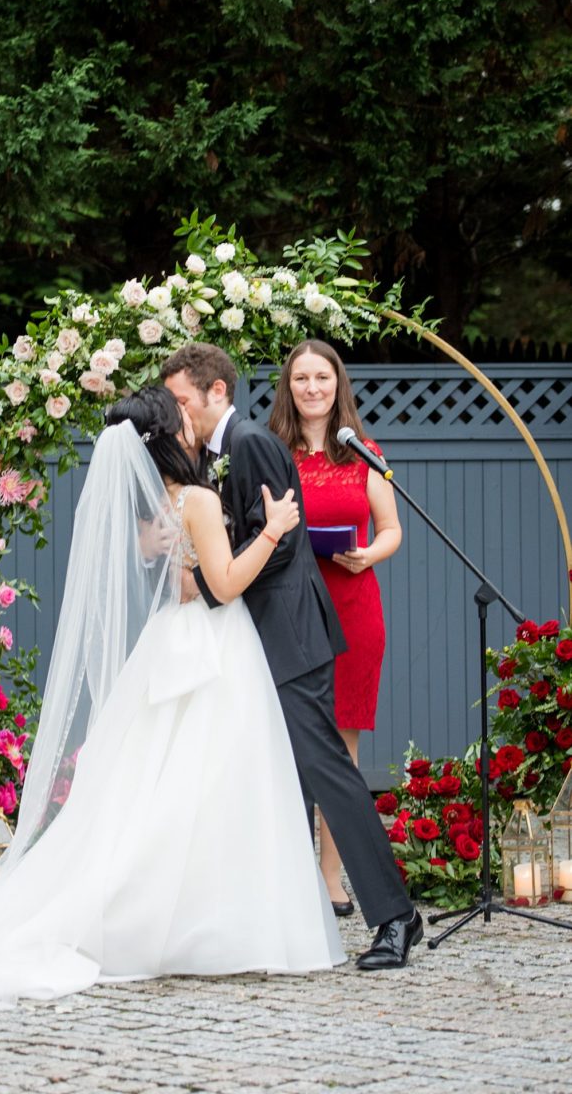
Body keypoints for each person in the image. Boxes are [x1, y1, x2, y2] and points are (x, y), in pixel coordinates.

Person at [0, 386, 345, 1014]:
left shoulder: (162, 504)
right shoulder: (196, 498)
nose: (194, 425)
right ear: (172, 436)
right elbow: (223, 584)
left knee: (165, 786)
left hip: (175, 641)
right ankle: (206, 922)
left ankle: (174, 915)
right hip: (216, 648)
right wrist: (274, 531)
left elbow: (187, 584)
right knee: (213, 782)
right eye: (183, 420)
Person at [161, 343, 421, 969]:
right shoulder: (225, 449)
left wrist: (216, 582)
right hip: (262, 634)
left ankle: (395, 915)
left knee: (329, 771)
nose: (178, 411)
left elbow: (281, 543)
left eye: (181, 399)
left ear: (214, 392)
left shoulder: (247, 443)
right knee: (279, 772)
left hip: (292, 634)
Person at [268, 340, 402, 915]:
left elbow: (392, 527)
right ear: (289, 387)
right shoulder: (274, 452)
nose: (313, 387)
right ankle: (285, 870)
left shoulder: (363, 452)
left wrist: (369, 554)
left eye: (322, 377)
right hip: (293, 609)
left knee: (342, 752)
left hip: (353, 604)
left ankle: (331, 876)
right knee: (291, 745)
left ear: (338, 383)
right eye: (302, 378)